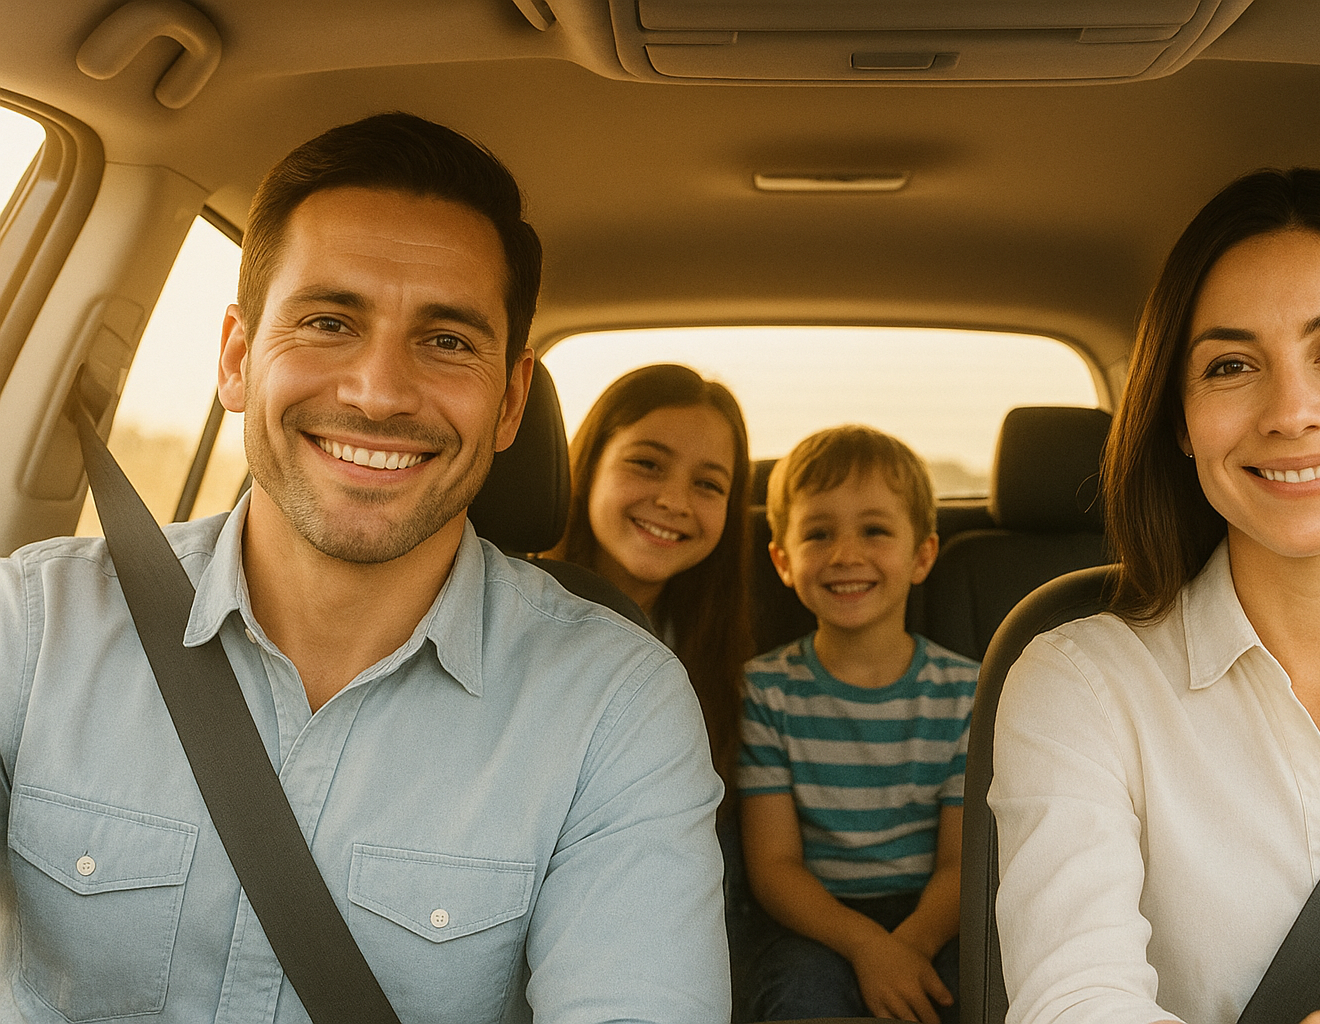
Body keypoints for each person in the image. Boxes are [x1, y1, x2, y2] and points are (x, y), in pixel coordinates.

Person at [0, 113, 729, 1024]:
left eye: (449, 340)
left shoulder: (614, 704)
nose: (378, 392)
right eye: (328, 321)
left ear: (509, 404)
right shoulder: (31, 623)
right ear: (237, 357)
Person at [989, 167, 1320, 1024]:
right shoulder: (1082, 684)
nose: (1291, 411)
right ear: (1181, 417)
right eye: (1233, 365)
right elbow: (1075, 1004)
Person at [738, 424, 978, 1024]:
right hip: (816, 919)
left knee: (978, 988)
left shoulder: (966, 691)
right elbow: (774, 867)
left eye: (875, 531)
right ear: (783, 561)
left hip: (936, 915)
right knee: (797, 991)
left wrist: (913, 945)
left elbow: (961, 862)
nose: (846, 555)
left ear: (922, 554)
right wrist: (868, 947)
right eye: (818, 534)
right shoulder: (763, 690)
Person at [549, 362, 754, 785]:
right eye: (647, 464)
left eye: (708, 485)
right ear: (590, 466)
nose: (675, 501)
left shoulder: (718, 651)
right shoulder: (505, 616)